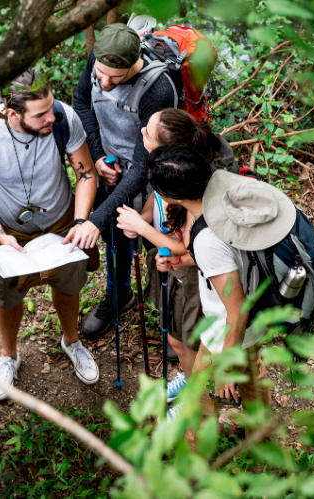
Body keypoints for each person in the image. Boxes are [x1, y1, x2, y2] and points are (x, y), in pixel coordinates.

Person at [0, 71, 102, 397]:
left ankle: (72, 341)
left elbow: (86, 174)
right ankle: (9, 357)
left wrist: (80, 221)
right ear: (13, 114)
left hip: (62, 223)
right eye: (40, 115)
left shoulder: (63, 118)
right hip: (8, 231)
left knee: (68, 284)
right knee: (7, 296)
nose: (51, 117)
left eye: (51, 108)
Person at [147, 146, 282, 425]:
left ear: (172, 196)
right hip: (254, 323)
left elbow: (236, 310)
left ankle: (195, 462)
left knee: (198, 408)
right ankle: (262, 443)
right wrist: (180, 260)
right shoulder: (221, 196)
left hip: (226, 335)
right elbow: (228, 262)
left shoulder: (208, 239)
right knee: (254, 387)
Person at [114, 108, 235, 402]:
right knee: (175, 337)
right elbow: (157, 202)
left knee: (187, 341)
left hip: (195, 276)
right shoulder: (170, 171)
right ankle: (189, 375)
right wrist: (143, 220)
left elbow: (191, 244)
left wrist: (141, 229)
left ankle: (196, 397)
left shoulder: (197, 191)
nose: (141, 131)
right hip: (171, 263)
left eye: (148, 133)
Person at [71, 23, 178, 340]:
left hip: (151, 172)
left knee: (161, 243)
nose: (103, 83)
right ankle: (119, 295)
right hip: (110, 161)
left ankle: (170, 316)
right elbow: (81, 102)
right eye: (100, 74)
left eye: (114, 79)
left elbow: (145, 162)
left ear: (132, 64)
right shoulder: (100, 57)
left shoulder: (158, 89)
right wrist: (99, 155)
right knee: (116, 240)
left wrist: (94, 219)